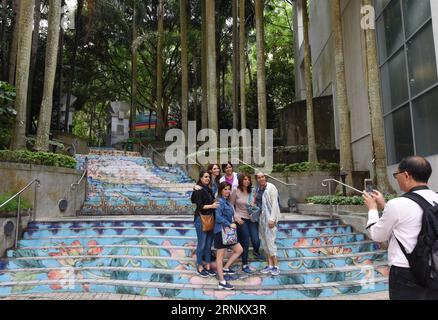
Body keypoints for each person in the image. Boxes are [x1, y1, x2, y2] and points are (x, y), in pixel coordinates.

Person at [363, 156, 438, 300]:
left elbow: (378, 235)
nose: (396, 178)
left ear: (406, 175)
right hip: (433, 270)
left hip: (406, 274)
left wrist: (372, 209)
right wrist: (385, 206)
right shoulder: (435, 198)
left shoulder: (397, 204)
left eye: (396, 175)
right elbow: (409, 221)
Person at [230, 173, 263, 274]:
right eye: (245, 179)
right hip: (241, 218)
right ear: (241, 181)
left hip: (251, 218)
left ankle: (256, 251)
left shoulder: (252, 191)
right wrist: (236, 217)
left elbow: (255, 204)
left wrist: (254, 205)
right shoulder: (236, 190)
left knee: (256, 240)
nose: (247, 181)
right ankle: (245, 264)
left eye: (248, 179)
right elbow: (231, 204)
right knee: (245, 238)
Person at [214, 182, 243, 290]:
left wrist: (234, 220)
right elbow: (217, 217)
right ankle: (222, 281)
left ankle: (226, 268)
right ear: (221, 190)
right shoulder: (219, 201)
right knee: (220, 257)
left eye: (228, 189)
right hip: (220, 231)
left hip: (227, 232)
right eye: (225, 189)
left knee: (239, 250)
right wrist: (229, 223)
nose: (227, 191)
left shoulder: (226, 201)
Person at [190, 170, 218, 278]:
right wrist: (212, 206)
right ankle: (200, 266)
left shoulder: (209, 190)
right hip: (201, 219)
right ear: (201, 178)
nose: (207, 179)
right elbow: (199, 206)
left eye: (208, 177)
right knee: (201, 244)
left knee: (208, 245)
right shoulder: (198, 190)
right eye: (205, 177)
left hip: (210, 218)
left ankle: (208, 266)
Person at [255, 172, 281, 276]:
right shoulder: (258, 189)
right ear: (256, 179)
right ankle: (269, 265)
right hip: (261, 218)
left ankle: (276, 266)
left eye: (262, 177)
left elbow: (275, 203)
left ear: (265, 177)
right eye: (258, 177)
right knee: (264, 241)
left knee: (271, 241)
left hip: (270, 218)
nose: (261, 179)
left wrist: (272, 219)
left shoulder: (271, 187)